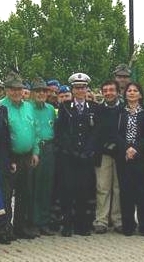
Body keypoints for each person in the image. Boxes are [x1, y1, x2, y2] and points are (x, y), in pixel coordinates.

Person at [56, 72, 99, 237]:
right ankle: (67, 224)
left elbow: (96, 132)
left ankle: (82, 225)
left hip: (86, 157)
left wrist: (88, 150)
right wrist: (71, 150)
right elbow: (61, 131)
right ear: (72, 90)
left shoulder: (94, 108)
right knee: (68, 190)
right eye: (76, 88)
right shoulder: (65, 106)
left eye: (82, 87)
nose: (80, 90)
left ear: (87, 89)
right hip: (69, 156)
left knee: (84, 191)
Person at [0, 72, 39, 240]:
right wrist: (9, 159)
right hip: (9, 159)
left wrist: (36, 151)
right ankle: (5, 230)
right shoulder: (2, 108)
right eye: (12, 89)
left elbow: (35, 131)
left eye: (19, 89)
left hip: (27, 157)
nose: (16, 92)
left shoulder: (29, 106)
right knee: (7, 196)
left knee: (24, 194)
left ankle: (20, 228)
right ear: (6, 90)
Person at [116, 82, 144, 236]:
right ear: (125, 94)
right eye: (129, 91)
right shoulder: (119, 112)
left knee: (142, 192)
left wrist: (135, 149)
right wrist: (126, 148)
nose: (131, 93)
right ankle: (128, 226)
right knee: (126, 192)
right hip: (124, 156)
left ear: (140, 94)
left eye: (135, 91)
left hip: (141, 156)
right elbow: (115, 134)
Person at [93, 80, 123, 234]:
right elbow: (95, 132)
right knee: (102, 187)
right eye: (105, 90)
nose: (108, 93)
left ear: (118, 92)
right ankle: (101, 220)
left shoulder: (124, 109)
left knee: (118, 188)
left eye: (112, 90)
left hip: (120, 152)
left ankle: (117, 220)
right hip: (103, 153)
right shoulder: (97, 109)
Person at [30, 78, 57, 236]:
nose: (41, 93)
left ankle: (44, 222)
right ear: (32, 93)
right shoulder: (28, 108)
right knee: (33, 187)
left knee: (47, 186)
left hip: (49, 149)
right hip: (34, 150)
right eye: (38, 91)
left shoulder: (50, 109)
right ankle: (32, 221)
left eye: (43, 91)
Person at [0, 103, 16, 244]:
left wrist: (11, 159)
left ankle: (4, 229)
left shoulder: (2, 110)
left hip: (2, 161)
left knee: (5, 195)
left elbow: (6, 137)